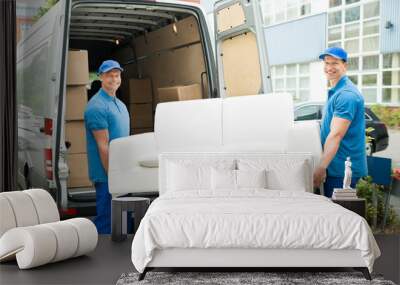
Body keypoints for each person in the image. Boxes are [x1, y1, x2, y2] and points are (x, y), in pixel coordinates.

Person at [313, 47, 367, 198]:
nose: (329, 68)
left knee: (338, 217)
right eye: (326, 63)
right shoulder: (337, 91)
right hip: (336, 166)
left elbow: (336, 135)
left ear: (345, 65)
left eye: (334, 63)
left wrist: (321, 168)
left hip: (341, 170)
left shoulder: (346, 95)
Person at [84, 60, 130, 234]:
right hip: (107, 176)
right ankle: (101, 256)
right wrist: (113, 177)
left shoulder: (119, 104)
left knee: (122, 221)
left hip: (122, 173)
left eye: (117, 75)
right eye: (109, 75)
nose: (114, 79)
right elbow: (103, 146)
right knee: (107, 221)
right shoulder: (97, 107)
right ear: (101, 77)